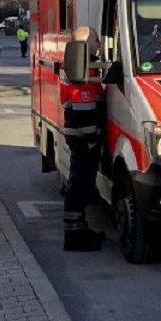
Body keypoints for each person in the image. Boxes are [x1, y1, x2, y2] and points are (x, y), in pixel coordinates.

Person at [61, 27, 106, 252]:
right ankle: (74, 235)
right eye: (97, 39)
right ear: (86, 43)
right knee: (79, 184)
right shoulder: (81, 67)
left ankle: (80, 228)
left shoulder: (83, 64)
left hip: (79, 135)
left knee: (82, 184)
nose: (100, 43)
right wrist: (92, 139)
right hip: (83, 136)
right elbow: (83, 106)